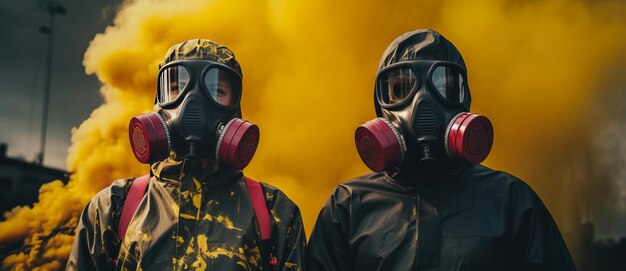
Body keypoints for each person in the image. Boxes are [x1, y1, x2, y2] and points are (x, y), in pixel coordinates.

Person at [307, 29, 575, 270]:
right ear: (382, 106)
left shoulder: (510, 201)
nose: (423, 103)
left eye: (443, 86)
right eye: (401, 89)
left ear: (464, 100)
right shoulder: (348, 207)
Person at [67, 39, 306, 271]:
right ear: (159, 101)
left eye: (216, 90)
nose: (193, 102)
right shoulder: (112, 209)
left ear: (235, 106)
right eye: (176, 87)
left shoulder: (275, 215)